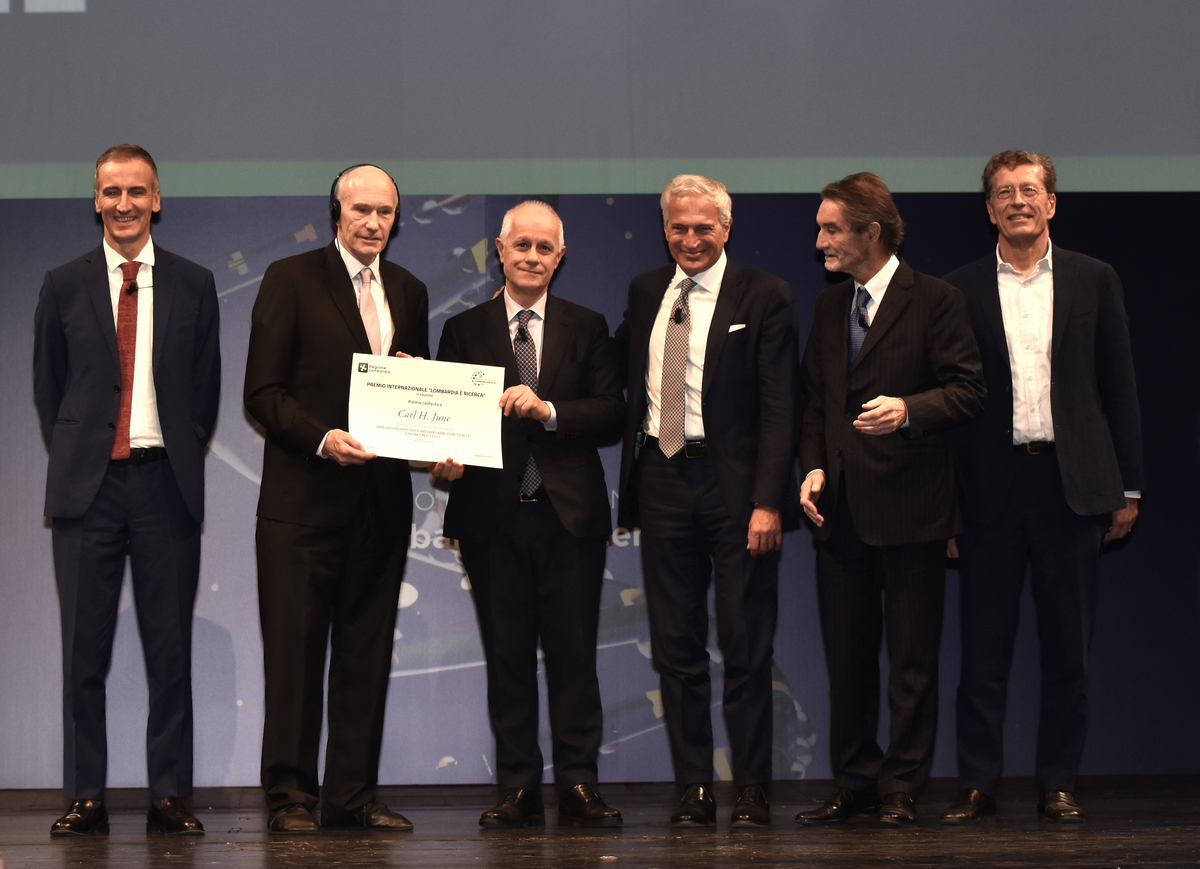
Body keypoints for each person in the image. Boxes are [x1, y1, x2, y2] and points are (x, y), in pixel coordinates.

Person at [939, 151, 1143, 825]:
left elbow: (1119, 387)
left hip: (1073, 488)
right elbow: (949, 404)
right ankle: (978, 782)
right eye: (1004, 192)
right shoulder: (958, 288)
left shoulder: (1094, 278)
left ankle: (1059, 781)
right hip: (988, 491)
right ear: (989, 208)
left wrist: (1129, 486)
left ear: (1051, 202)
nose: (1017, 200)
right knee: (983, 651)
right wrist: (946, 506)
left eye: (1030, 189)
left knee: (1067, 650)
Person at [33, 144, 221, 838]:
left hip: (164, 488)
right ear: (95, 200)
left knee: (169, 652)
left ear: (157, 199)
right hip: (89, 492)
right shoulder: (61, 283)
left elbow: (203, 396)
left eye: (135, 192)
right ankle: (86, 795)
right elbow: (50, 389)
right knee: (84, 654)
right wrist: (87, 455)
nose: (123, 204)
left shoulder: (195, 284)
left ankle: (170, 795)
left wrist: (165, 451)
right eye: (111, 192)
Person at [244, 164, 429, 834]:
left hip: (379, 508)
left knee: (365, 656)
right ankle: (290, 798)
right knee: (294, 657)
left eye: (385, 211)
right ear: (336, 213)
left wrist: (423, 402)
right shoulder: (289, 279)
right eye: (362, 210)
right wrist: (324, 438)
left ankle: (351, 796)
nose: (374, 222)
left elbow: (416, 403)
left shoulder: (409, 290)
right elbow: (262, 393)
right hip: (301, 508)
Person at [795, 172, 984, 827]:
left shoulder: (936, 299)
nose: (819, 240)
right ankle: (855, 780)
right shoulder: (825, 308)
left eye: (830, 228)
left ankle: (902, 785)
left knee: (910, 662)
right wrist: (813, 466)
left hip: (913, 507)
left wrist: (908, 408)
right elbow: (816, 402)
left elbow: (967, 390)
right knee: (847, 661)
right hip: (839, 511)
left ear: (870, 231)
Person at [431, 201, 625, 829]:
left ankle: (578, 784)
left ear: (560, 257)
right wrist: (442, 461)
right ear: (501, 249)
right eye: (523, 247)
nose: (533, 257)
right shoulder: (462, 329)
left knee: (574, 659)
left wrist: (547, 410)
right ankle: (516, 788)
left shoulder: (587, 325)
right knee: (507, 657)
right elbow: (445, 425)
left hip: (568, 518)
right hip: (492, 520)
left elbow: (610, 413)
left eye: (545, 248)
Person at [613, 175, 799, 827]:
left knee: (746, 643)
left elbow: (781, 409)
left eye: (703, 227)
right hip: (662, 481)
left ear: (726, 228)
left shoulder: (766, 295)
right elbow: (610, 374)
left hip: (738, 492)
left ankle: (750, 788)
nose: (690, 239)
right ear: (665, 229)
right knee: (675, 645)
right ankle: (694, 787)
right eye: (678, 227)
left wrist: (768, 501)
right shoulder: (644, 292)